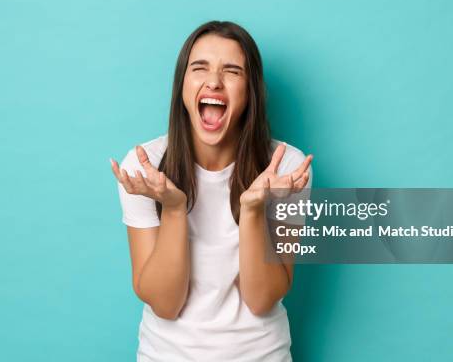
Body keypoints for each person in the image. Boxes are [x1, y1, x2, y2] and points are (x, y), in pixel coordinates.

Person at [111, 20, 313, 361]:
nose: (214, 81)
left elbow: (262, 299)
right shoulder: (145, 167)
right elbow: (164, 303)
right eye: (199, 68)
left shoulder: (286, 168)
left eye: (232, 71)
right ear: (182, 86)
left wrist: (251, 211)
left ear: (250, 91)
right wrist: (174, 209)